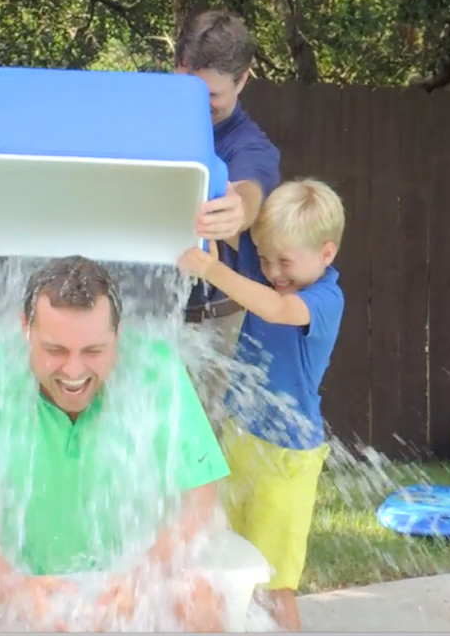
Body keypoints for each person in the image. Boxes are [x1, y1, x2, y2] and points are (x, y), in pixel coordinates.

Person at [0, 256, 232, 631]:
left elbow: (200, 504)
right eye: (55, 350)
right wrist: (11, 586)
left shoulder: (156, 368)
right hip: (16, 580)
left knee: (199, 599)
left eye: (93, 351)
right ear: (25, 329)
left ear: (118, 335)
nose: (73, 371)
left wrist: (141, 577)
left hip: (124, 584)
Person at [177, 178, 346, 631]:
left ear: (326, 253)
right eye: (266, 259)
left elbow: (277, 309)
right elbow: (236, 223)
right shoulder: (275, 266)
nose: (272, 271)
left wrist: (213, 271)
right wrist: (221, 197)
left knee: (273, 586)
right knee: (224, 563)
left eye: (284, 261)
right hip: (239, 439)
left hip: (287, 460)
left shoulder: (325, 299)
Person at [173, 10, 282, 405]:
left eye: (213, 96)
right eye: (191, 88)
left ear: (242, 80)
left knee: (200, 436)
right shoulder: (145, 117)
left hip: (210, 319)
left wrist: (239, 209)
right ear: (178, 66)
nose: (200, 104)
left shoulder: (249, 145)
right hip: (134, 304)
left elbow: (250, 190)